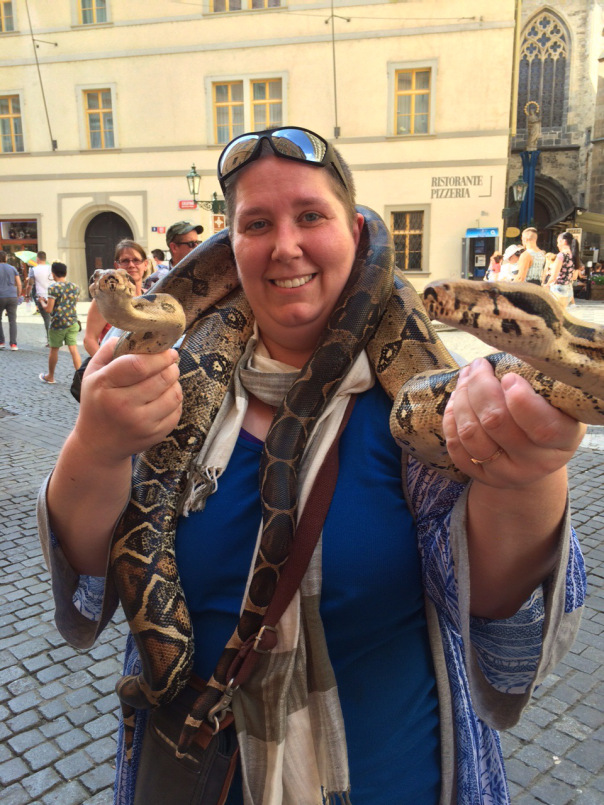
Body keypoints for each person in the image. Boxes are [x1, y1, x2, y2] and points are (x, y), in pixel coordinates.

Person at [38, 126, 586, 805]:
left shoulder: (437, 396)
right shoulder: (161, 382)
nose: (285, 245)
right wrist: (95, 444)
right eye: (256, 223)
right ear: (227, 247)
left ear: (355, 231)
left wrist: (523, 466)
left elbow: (498, 603)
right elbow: (88, 567)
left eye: (310, 216)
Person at [83, 240, 150, 356]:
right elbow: (89, 340)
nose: (131, 265)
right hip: (116, 365)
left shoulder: (151, 296)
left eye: (136, 260)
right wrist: (107, 366)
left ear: (145, 264)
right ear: (117, 266)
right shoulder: (104, 299)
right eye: (125, 261)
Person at [37, 262, 82, 383]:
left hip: (58, 324)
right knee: (73, 349)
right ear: (65, 273)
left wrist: (42, 302)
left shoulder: (53, 288)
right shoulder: (75, 287)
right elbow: (73, 303)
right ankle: (81, 378)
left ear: (53, 273)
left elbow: (49, 309)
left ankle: (50, 376)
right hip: (72, 322)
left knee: (54, 349)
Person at [545, 231, 581, 310]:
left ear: (564, 242)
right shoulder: (574, 255)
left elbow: (554, 276)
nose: (557, 244)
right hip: (568, 288)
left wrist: (546, 285)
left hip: (558, 288)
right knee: (561, 313)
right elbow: (574, 277)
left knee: (553, 312)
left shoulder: (561, 255)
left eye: (558, 242)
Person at [27, 251, 53, 342]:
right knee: (54, 317)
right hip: (53, 296)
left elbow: (30, 284)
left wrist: (27, 295)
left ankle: (50, 340)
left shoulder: (34, 270)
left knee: (47, 318)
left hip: (41, 297)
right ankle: (57, 338)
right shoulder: (52, 268)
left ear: (38, 258)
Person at [0, 249, 22, 350]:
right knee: (12, 320)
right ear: (6, 258)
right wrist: (18, 294)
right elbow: (19, 283)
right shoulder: (12, 268)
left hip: (0, 296)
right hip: (12, 296)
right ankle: (13, 344)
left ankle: (1, 342)